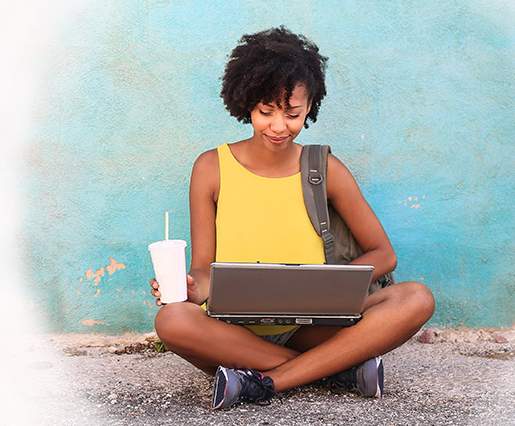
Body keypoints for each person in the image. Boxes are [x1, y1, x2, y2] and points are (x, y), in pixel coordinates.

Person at [149, 26, 435, 409]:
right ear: (246, 102)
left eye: (293, 113)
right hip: (232, 331)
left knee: (416, 298)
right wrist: (191, 290)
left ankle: (267, 381)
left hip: (311, 326)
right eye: (266, 112)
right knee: (171, 321)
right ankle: (337, 371)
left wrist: (332, 285)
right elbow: (203, 270)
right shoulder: (211, 168)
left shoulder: (324, 168)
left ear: (310, 105)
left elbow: (383, 253)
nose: (279, 126)